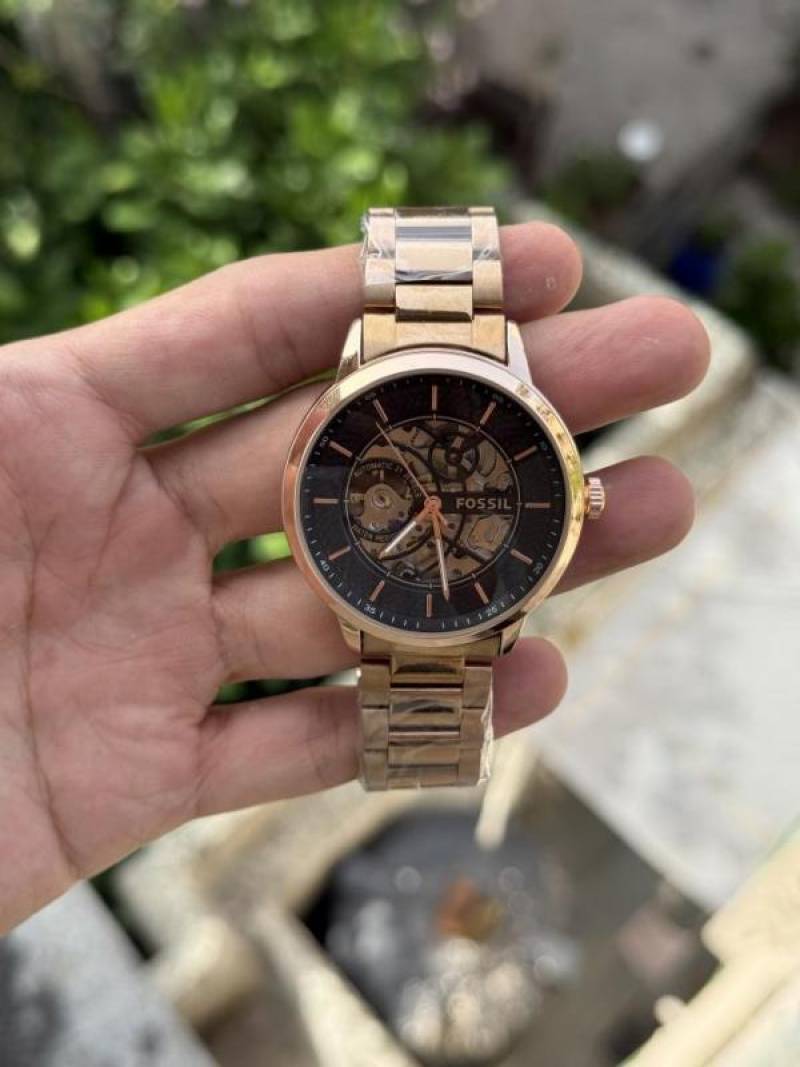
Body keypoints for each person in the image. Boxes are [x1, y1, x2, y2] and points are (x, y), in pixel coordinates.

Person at [0, 222, 710, 932]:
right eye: (424, 503)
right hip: (421, 583)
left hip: (440, 588)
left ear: (580, 497)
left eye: (437, 506)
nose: (433, 508)